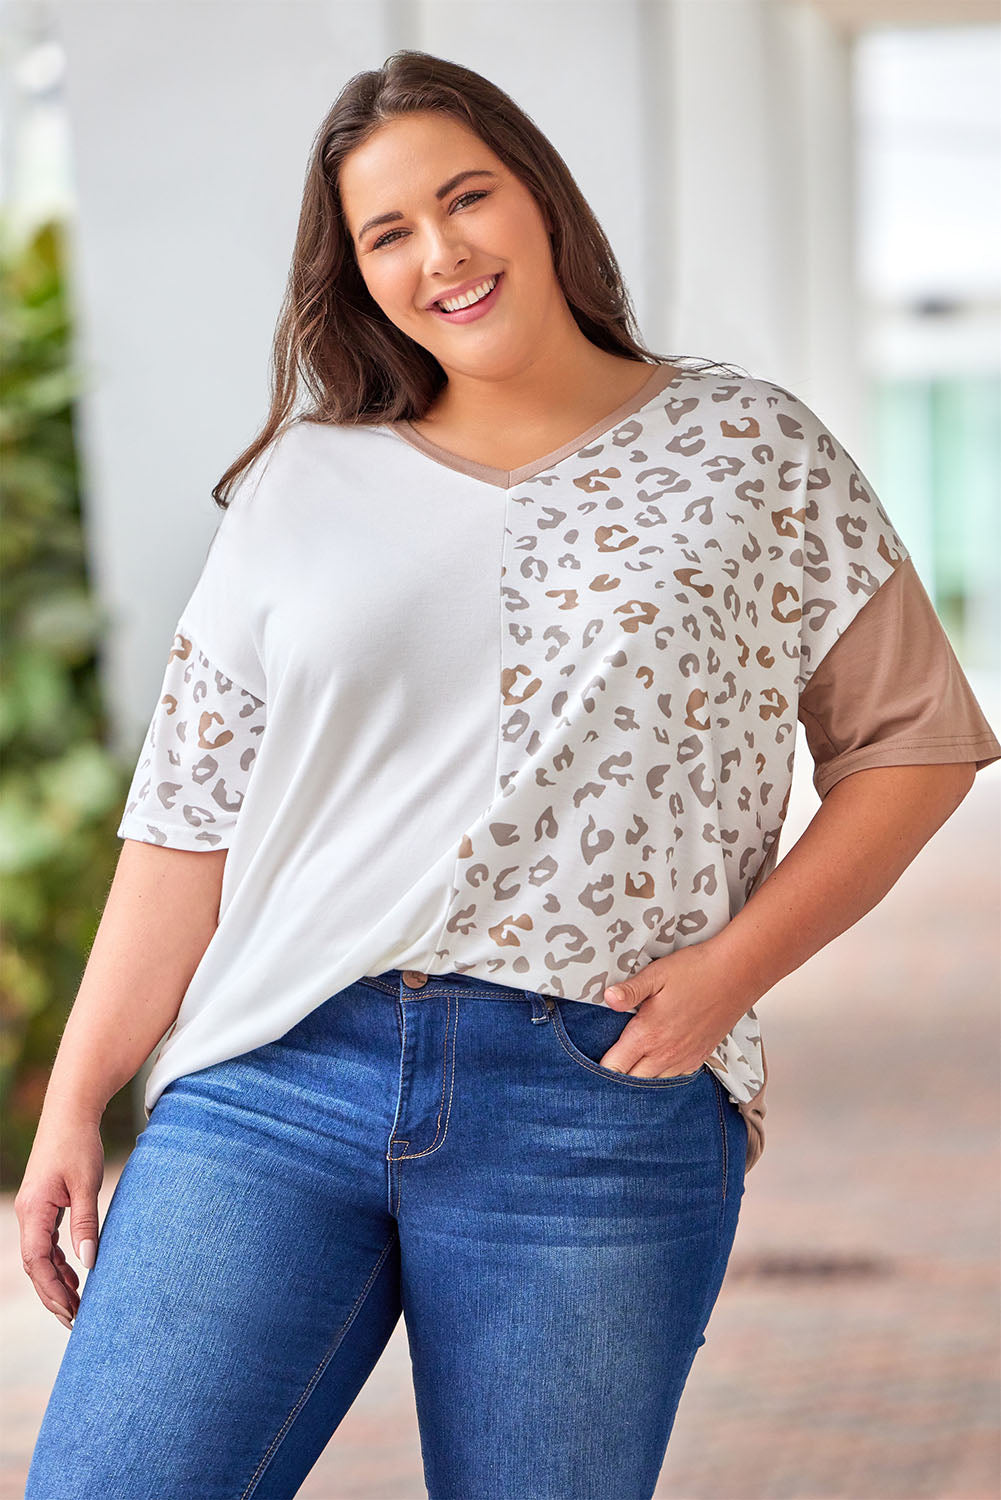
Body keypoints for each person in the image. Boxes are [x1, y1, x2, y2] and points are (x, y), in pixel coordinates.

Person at [18, 47, 1001, 1500]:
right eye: (388, 233)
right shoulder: (301, 485)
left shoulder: (749, 450)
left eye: (465, 197)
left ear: (540, 199)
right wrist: (72, 1102)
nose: (441, 253)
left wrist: (730, 973)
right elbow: (186, 823)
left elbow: (914, 746)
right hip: (275, 1077)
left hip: (589, 1098)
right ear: (357, 276)